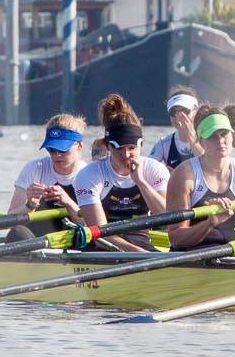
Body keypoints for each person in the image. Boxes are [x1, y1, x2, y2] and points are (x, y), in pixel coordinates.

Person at [72, 94, 172, 251]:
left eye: (131, 148)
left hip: (140, 242)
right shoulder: (89, 175)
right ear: (108, 147)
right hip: (102, 246)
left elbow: (168, 216)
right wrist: (142, 255)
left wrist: (141, 182)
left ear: (141, 144)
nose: (126, 155)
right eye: (119, 149)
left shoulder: (154, 169)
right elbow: (100, 235)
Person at [163, 106, 235, 250]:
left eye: (224, 134)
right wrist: (210, 222)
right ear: (200, 141)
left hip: (230, 252)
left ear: (232, 135)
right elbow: (176, 239)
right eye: (212, 136)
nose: (220, 141)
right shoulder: (184, 175)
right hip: (190, 256)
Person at [5, 113, 86, 240]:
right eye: (51, 149)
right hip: (35, 244)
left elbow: (92, 226)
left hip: (75, 244)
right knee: (17, 233)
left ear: (79, 146)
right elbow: (10, 221)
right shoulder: (34, 168)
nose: (56, 155)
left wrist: (68, 203)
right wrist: (29, 205)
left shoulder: (88, 174)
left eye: (63, 149)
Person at [146, 88, 201, 170]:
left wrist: (191, 137)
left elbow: (209, 165)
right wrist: (163, 173)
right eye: (173, 112)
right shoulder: (164, 143)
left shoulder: (208, 139)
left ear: (196, 112)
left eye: (185, 111)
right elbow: (147, 169)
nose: (178, 117)